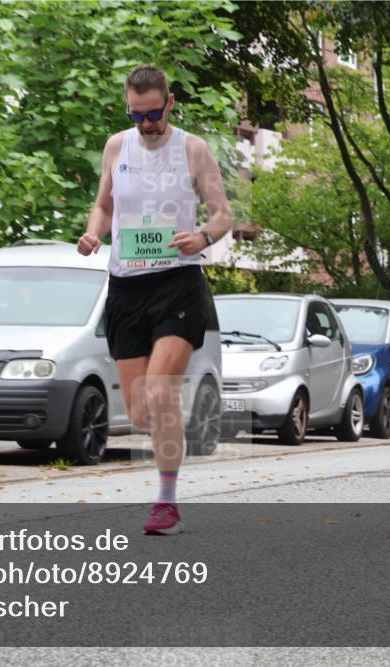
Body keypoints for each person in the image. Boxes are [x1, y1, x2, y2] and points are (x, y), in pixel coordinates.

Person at [77, 64, 233, 534]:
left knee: (162, 391)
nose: (145, 124)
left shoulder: (193, 149)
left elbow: (223, 214)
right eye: (136, 115)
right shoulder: (116, 147)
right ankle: (167, 434)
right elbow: (104, 205)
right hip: (126, 287)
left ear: (169, 103)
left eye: (153, 114)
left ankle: (167, 503)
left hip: (177, 282)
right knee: (142, 410)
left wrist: (203, 238)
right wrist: (93, 233)